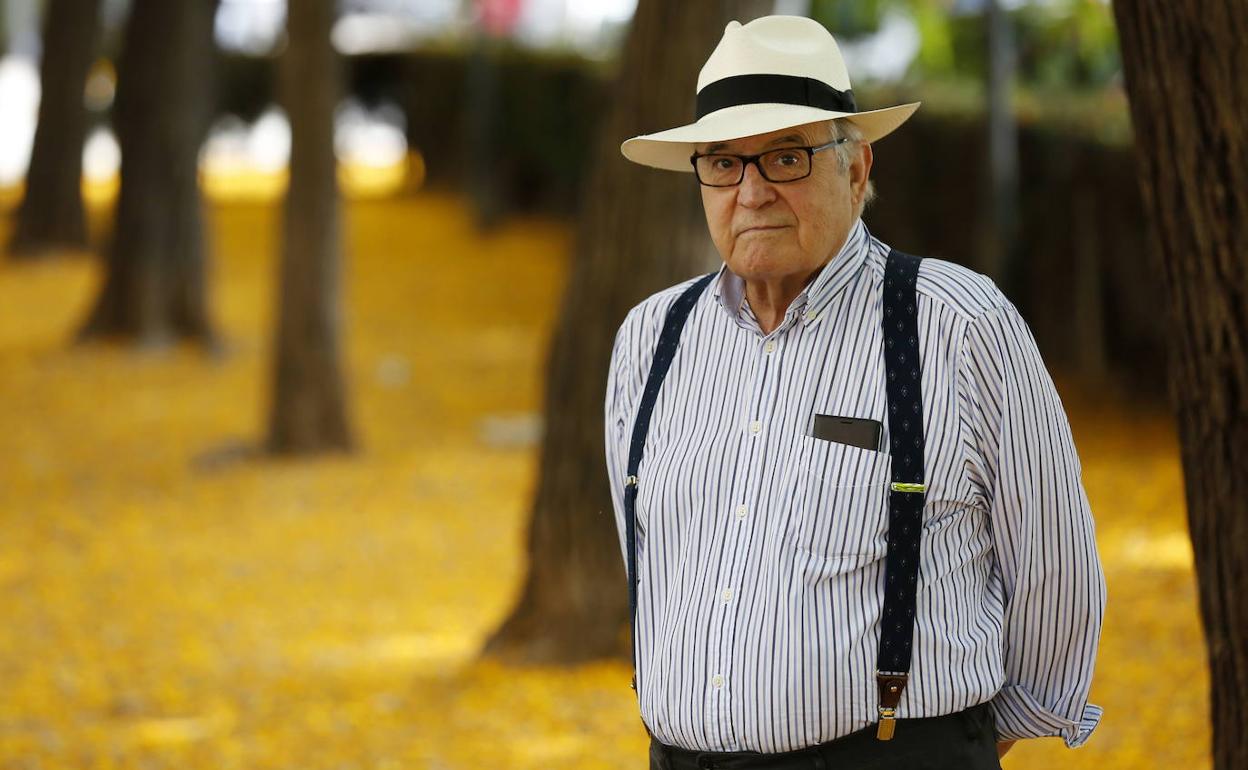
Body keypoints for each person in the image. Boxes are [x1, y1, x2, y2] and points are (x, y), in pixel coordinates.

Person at [604, 15, 1105, 770]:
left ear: (857, 169)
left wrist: (959, 744)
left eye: (785, 157)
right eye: (723, 164)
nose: (752, 192)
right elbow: (649, 558)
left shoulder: (955, 324)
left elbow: (1054, 572)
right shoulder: (651, 338)